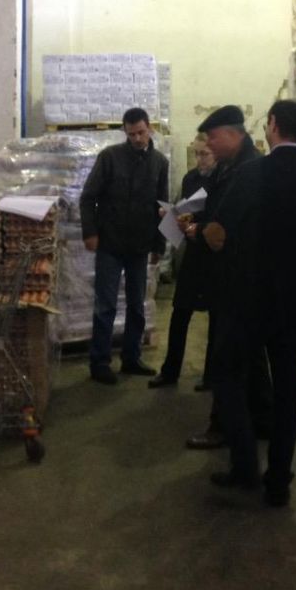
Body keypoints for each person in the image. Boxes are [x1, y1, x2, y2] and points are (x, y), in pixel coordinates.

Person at [202, 99, 296, 507]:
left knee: (228, 375)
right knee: (288, 392)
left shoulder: (251, 174)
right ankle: (278, 480)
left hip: (249, 297)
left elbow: (217, 232)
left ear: (273, 125)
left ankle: (245, 463)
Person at [182, 105, 273, 450]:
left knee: (227, 361)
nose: (208, 144)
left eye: (213, 137)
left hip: (237, 277)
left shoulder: (249, 170)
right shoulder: (230, 166)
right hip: (233, 276)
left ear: (233, 134)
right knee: (251, 356)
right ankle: (263, 420)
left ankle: (222, 427)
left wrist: (198, 230)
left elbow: (228, 227)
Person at [79, 107, 169, 385]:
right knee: (105, 305)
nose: (137, 139)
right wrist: (90, 233)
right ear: (125, 132)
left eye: (141, 132)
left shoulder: (159, 162)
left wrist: (159, 245)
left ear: (149, 128)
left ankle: (131, 358)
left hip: (139, 245)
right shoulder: (110, 158)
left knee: (136, 305)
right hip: (110, 243)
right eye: (131, 134)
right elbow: (88, 197)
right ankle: (100, 363)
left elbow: (162, 206)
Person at [149, 137, 216, 389]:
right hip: (193, 253)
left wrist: (195, 222)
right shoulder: (190, 178)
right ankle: (170, 371)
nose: (199, 160)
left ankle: (211, 376)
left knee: (216, 318)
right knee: (180, 312)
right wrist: (174, 216)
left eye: (204, 154)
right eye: (196, 154)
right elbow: (186, 210)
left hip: (215, 255)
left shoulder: (223, 180)